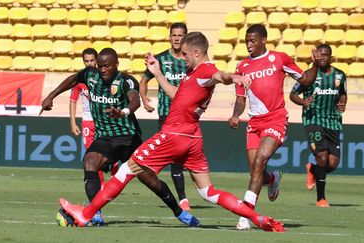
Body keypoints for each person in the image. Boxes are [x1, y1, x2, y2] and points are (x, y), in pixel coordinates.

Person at [59, 32, 286, 232]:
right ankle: (256, 217)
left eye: (185, 54)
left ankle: (86, 214)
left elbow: (220, 75)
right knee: (208, 191)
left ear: (197, 52)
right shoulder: (194, 74)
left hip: (174, 134)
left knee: (126, 170)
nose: (183, 58)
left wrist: (233, 77)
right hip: (193, 138)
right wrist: (157, 73)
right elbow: (178, 95)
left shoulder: (206, 69)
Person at [228, 24, 321, 230]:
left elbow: (304, 79)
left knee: (260, 160)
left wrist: (314, 65)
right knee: (256, 171)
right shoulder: (242, 67)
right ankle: (273, 178)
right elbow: (241, 98)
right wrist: (235, 115)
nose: (249, 45)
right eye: (246, 41)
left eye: (253, 41)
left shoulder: (279, 58)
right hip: (254, 123)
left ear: (263, 40)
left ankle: (246, 215)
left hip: (275, 119)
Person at [42, 48, 142, 226]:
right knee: (90, 162)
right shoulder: (88, 76)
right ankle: (95, 212)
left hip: (125, 134)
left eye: (105, 65)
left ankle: (179, 208)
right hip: (96, 127)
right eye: (98, 65)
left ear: (115, 65)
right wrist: (52, 96)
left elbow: (135, 98)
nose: (100, 68)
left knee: (145, 176)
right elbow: (73, 83)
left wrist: (124, 112)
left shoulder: (123, 81)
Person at [139, 22, 191, 211]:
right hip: (166, 116)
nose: (177, 38)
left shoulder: (190, 60)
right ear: (170, 37)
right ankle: (183, 199)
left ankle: (186, 195)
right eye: (174, 35)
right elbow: (143, 80)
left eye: (180, 35)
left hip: (187, 116)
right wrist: (144, 97)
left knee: (184, 158)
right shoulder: (160, 58)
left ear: (186, 37)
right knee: (174, 157)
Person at [289, 43, 347, 208]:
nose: (322, 57)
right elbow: (293, 94)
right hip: (313, 120)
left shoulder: (339, 75)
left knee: (332, 163)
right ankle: (321, 198)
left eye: (325, 55)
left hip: (333, 121)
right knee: (322, 157)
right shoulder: (308, 75)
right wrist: (303, 101)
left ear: (330, 57)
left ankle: (313, 170)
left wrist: (342, 103)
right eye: (319, 54)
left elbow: (343, 94)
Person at [69, 48, 118, 188]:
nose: (89, 63)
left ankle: (115, 174)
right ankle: (102, 185)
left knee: (108, 153)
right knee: (91, 154)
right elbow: (73, 100)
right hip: (88, 122)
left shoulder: (104, 77)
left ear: (97, 61)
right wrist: (73, 122)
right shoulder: (80, 79)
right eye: (86, 61)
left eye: (92, 60)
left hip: (103, 121)